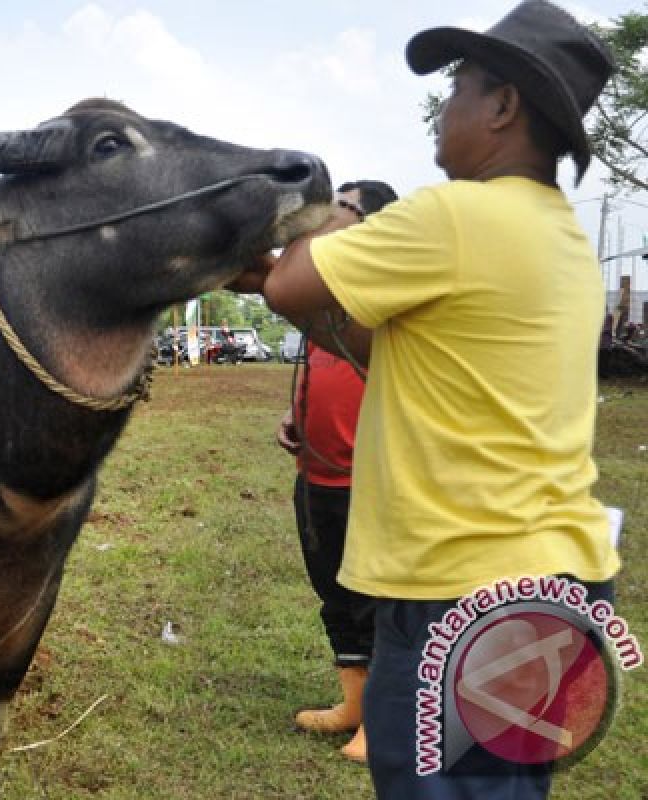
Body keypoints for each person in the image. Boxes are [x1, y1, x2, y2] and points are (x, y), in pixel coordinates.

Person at [232, 2, 619, 796]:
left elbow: (292, 284)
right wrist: (299, 290)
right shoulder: (558, 236)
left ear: (503, 107)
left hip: (458, 585)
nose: (442, 116)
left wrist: (313, 213)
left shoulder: (453, 214)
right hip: (547, 580)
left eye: (456, 92)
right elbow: (385, 349)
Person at [279, 180, 395, 765]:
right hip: (315, 477)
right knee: (334, 594)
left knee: (374, 600)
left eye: (343, 207)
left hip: (370, 483)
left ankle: (382, 720)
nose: (328, 218)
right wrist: (293, 416)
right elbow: (320, 373)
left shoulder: (384, 300)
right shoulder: (324, 299)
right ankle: (352, 705)